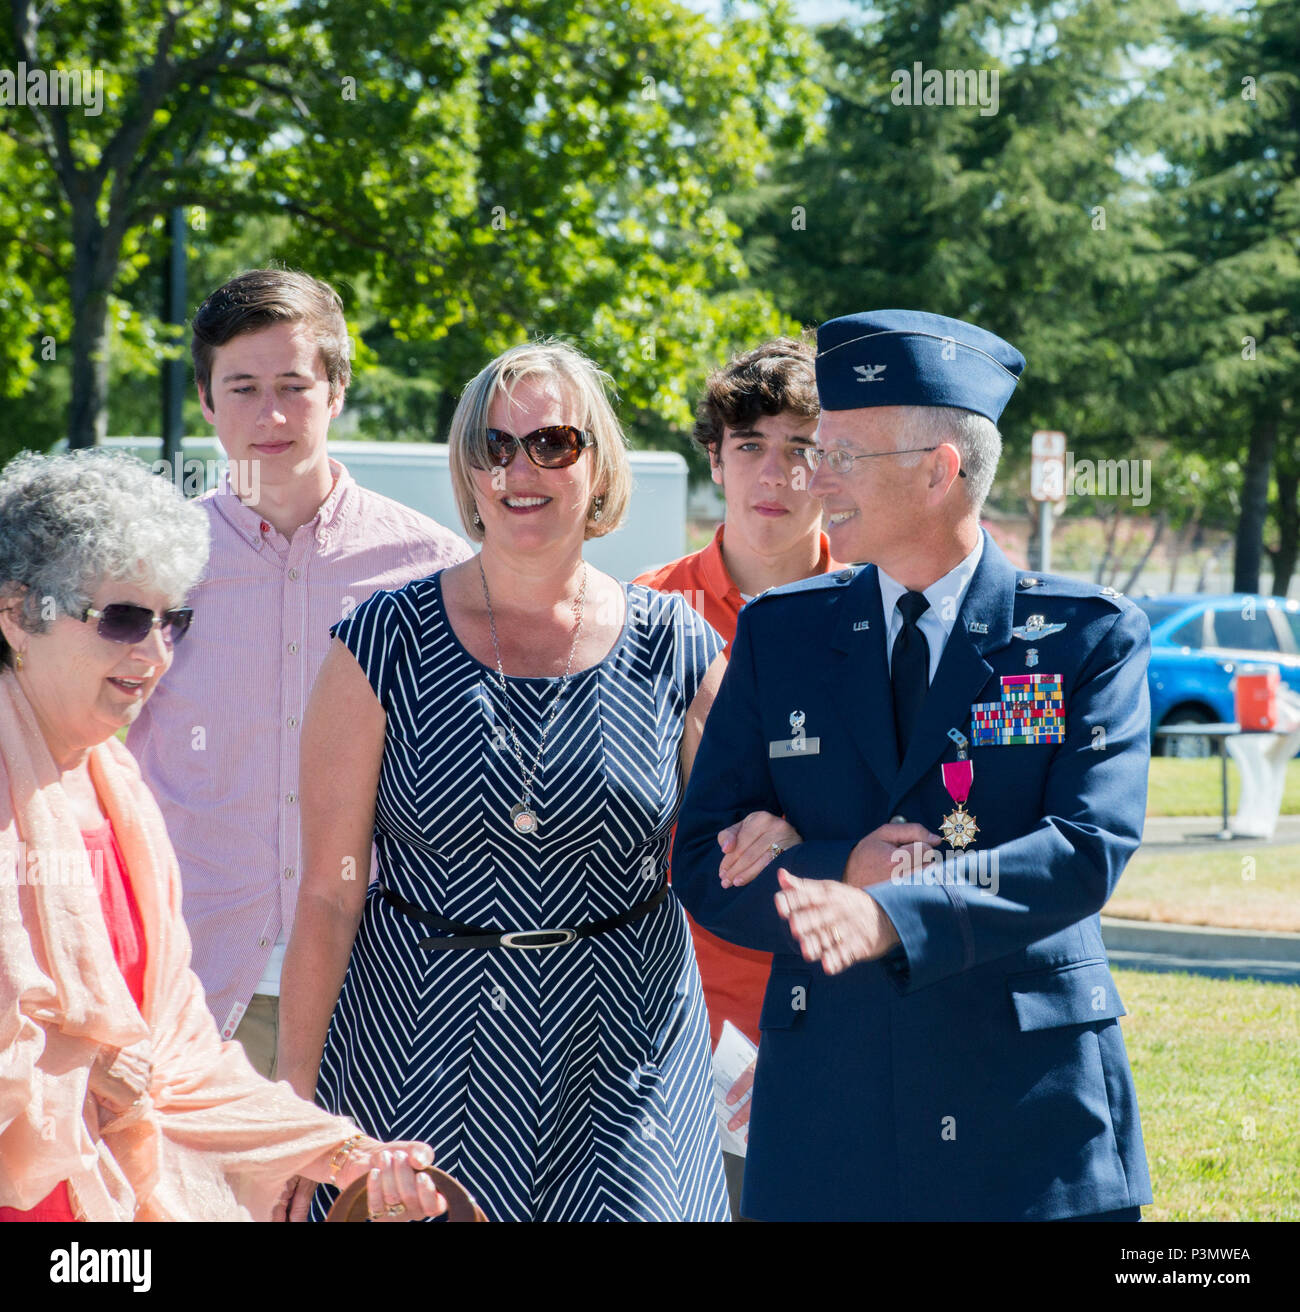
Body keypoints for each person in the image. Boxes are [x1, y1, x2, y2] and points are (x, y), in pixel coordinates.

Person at [672, 309, 1153, 1222]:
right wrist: (830, 865)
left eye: (846, 453)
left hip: (1027, 1113)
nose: (817, 477)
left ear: (942, 470)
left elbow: (1088, 848)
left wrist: (883, 909)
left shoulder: (1084, 637)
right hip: (829, 1107)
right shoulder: (785, 631)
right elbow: (701, 858)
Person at [278, 340, 730, 1222]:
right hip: (417, 1041)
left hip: (625, 1053)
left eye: (552, 444)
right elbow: (331, 897)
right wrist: (294, 1099)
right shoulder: (380, 644)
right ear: (469, 471)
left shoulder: (677, 645)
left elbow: (750, 835)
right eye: (495, 447)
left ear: (597, 466)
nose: (521, 470)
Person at [0, 450, 448, 1222]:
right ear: (17, 615)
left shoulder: (121, 795)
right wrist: (89, 1067)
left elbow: (179, 1060)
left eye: (172, 620)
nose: (154, 653)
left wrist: (349, 1156)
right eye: (123, 619)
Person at [126, 269, 470, 1077]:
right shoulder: (147, 568)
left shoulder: (432, 571)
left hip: (386, 993)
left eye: (293, 384)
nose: (270, 415)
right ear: (206, 401)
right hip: (190, 990)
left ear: (338, 389)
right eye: (242, 387)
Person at [634, 336, 843, 1217]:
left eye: (802, 448)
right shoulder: (640, 613)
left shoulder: (885, 608)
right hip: (680, 1017)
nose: (777, 473)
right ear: (714, 459)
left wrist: (808, 830)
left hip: (843, 1002)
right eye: (750, 444)